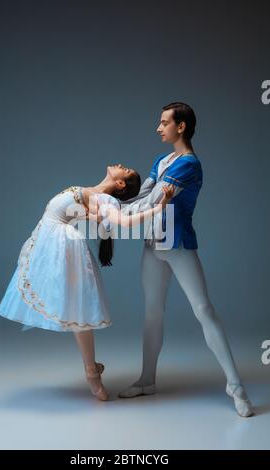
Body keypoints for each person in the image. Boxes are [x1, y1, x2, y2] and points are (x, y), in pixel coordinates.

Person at [118, 102, 253, 417]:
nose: (158, 127)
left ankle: (236, 387)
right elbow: (142, 197)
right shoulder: (162, 159)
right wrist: (104, 198)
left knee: (204, 310)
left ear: (181, 127)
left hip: (177, 244)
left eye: (164, 122)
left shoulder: (190, 164)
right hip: (154, 244)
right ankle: (147, 379)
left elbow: (152, 201)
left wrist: (109, 210)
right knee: (152, 312)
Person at [0, 164, 174, 402]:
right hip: (55, 238)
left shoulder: (107, 202)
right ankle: (92, 370)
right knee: (75, 308)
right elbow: (88, 215)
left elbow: (124, 223)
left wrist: (159, 208)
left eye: (126, 170)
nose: (121, 165)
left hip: (62, 243)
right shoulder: (97, 195)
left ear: (120, 183)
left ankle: (92, 373)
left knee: (79, 310)